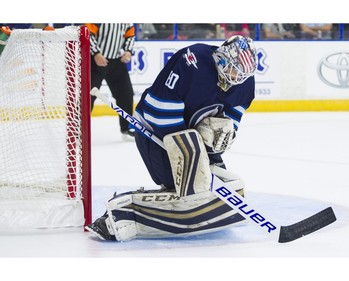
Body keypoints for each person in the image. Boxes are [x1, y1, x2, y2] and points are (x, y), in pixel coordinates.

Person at [86, 35, 258, 241]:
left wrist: (214, 147)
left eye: (241, 75)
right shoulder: (193, 60)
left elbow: (231, 119)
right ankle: (119, 216)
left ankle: (193, 196)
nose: (236, 78)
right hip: (154, 131)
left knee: (210, 184)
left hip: (195, 138)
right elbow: (160, 111)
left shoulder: (245, 82)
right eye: (233, 70)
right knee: (184, 186)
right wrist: (191, 158)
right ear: (222, 58)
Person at [85, 23, 136, 141]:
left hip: (117, 62)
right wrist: (96, 53)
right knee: (87, 97)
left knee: (126, 95)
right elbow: (88, 34)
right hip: (96, 61)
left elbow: (130, 35)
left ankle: (126, 129)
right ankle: (78, 131)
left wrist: (128, 51)